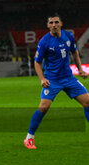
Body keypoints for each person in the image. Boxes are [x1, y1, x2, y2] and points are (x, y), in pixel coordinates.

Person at [24, 13, 89, 149]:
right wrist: (42, 79)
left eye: (56, 22)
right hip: (52, 80)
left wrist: (80, 69)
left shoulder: (68, 36)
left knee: (87, 102)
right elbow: (37, 63)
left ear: (61, 23)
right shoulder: (44, 42)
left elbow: (75, 53)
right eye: (51, 23)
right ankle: (29, 138)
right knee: (43, 107)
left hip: (69, 78)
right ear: (48, 25)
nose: (54, 25)